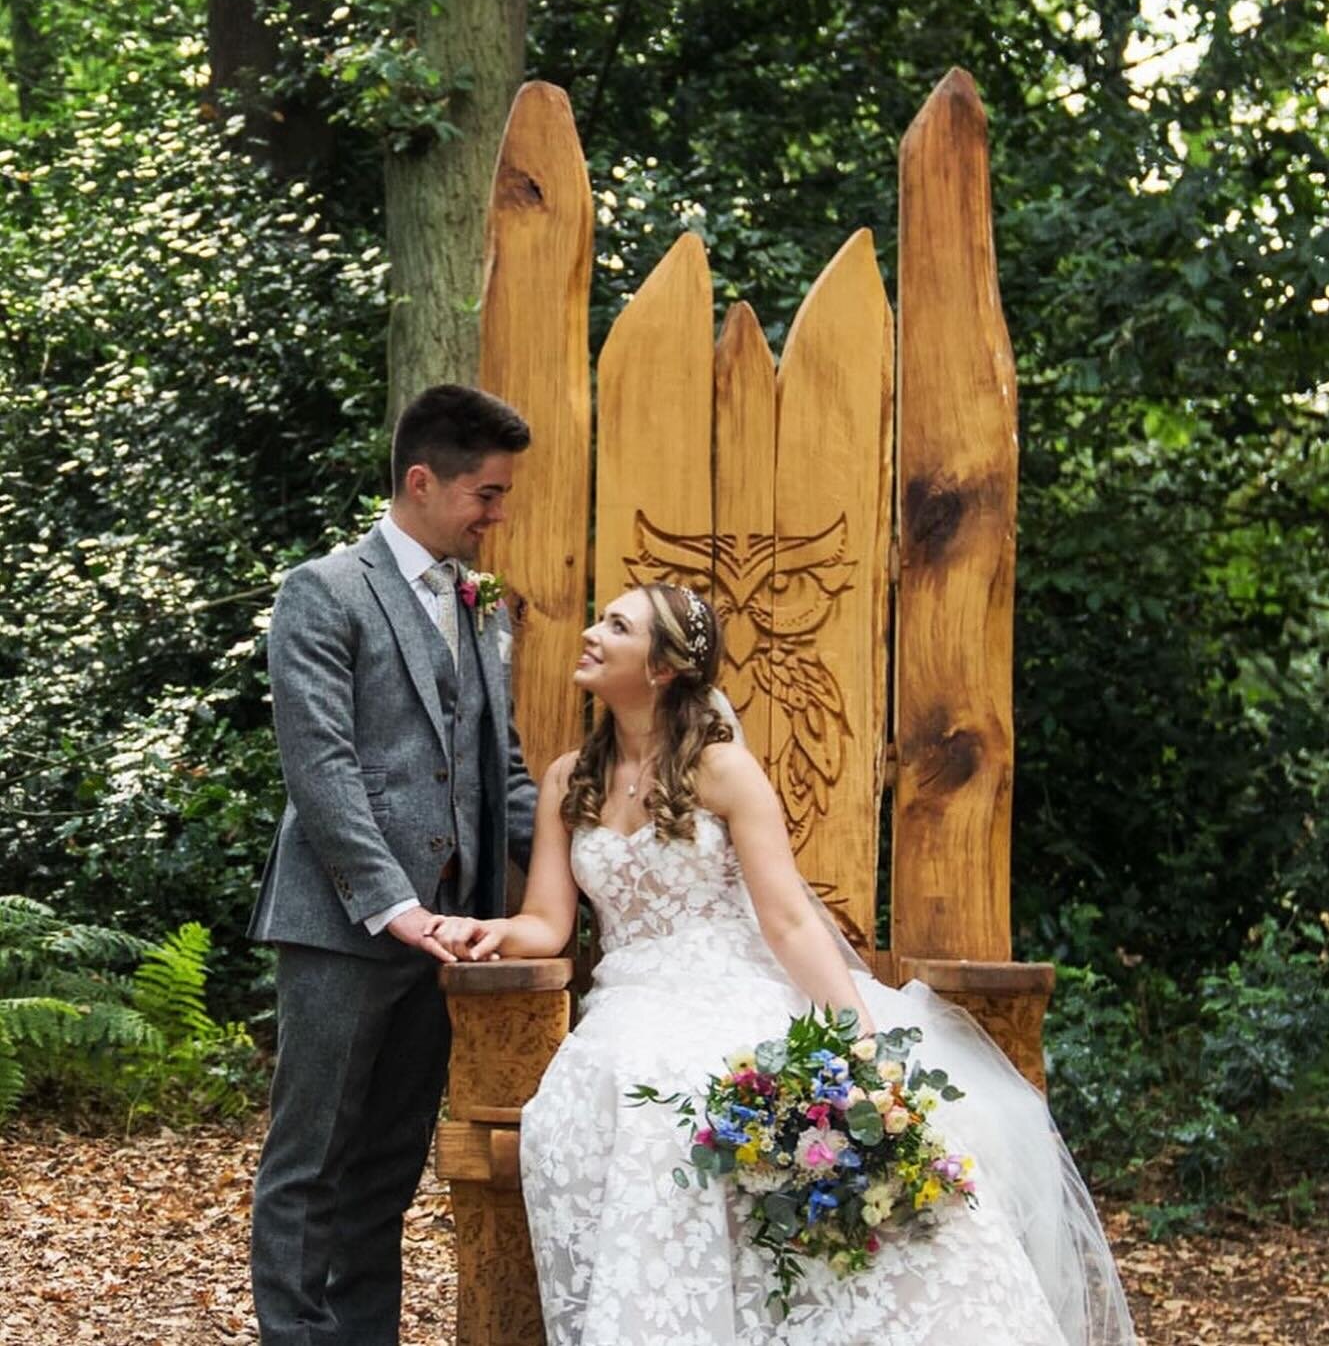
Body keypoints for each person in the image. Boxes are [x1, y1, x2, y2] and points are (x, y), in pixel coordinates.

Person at [430, 581, 1138, 1345]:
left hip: (738, 987)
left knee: (731, 1096)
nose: (593, 634)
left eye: (617, 625)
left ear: (664, 666)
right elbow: (547, 922)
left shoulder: (723, 769)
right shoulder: (571, 777)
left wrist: (858, 1038)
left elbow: (789, 917)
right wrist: (485, 932)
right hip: (632, 998)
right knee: (627, 1094)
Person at [248, 384, 539, 1346]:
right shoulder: (322, 591)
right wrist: (393, 905)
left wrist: (608, 850)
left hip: (447, 938)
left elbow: (502, 772)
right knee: (312, 1159)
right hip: (341, 927)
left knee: (389, 1162)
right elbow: (321, 767)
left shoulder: (481, 607)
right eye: (486, 495)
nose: (497, 514)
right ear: (422, 481)